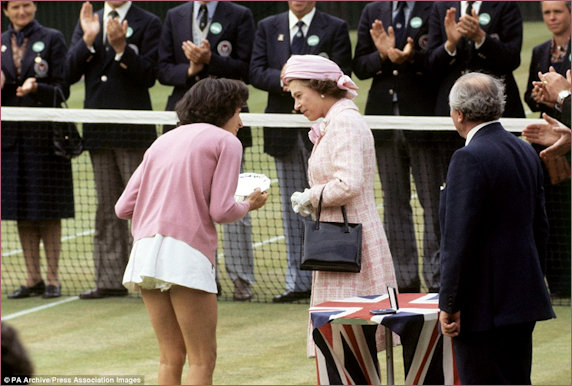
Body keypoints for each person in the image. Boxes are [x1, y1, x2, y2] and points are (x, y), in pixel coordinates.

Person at [115, 78, 268, 385]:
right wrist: (249, 204)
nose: (241, 121)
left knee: (170, 358)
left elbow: (123, 208)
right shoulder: (227, 142)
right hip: (185, 256)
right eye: (239, 111)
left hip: (145, 254)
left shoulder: (162, 141)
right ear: (224, 109)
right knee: (202, 360)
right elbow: (222, 211)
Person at [438, 72, 555, 385]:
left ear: (458, 114)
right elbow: (540, 226)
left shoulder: (468, 158)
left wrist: (449, 303)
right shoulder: (524, 150)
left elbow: (458, 239)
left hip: (483, 309)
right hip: (522, 300)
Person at [282, 54, 397, 357]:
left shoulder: (345, 122)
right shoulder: (337, 121)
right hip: (341, 242)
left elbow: (349, 184)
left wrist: (310, 196)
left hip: (350, 245)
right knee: (346, 344)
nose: (296, 105)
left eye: (299, 95)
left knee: (351, 343)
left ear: (320, 88)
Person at [250, 1, 352, 303]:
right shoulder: (268, 27)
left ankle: (331, 274)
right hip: (282, 132)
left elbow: (340, 73)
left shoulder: (334, 27)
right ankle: (298, 281)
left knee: (328, 204)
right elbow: (255, 71)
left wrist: (303, 84)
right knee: (292, 206)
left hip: (324, 128)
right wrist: (289, 84)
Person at [157, 0, 257, 301]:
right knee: (189, 205)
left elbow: (247, 68)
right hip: (184, 122)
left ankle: (242, 280)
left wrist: (211, 59)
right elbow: (162, 69)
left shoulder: (240, 15)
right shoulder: (174, 16)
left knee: (232, 200)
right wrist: (191, 68)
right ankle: (201, 278)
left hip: (225, 121)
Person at [67, 1, 161, 299]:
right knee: (107, 207)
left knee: (143, 208)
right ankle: (108, 280)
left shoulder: (147, 22)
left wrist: (122, 49)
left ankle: (148, 276)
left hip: (133, 131)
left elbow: (149, 76)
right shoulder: (88, 21)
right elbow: (68, 72)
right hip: (98, 131)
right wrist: (88, 40)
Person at [353, 1, 441, 293]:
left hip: (423, 121)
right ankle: (404, 280)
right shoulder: (372, 11)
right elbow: (360, 66)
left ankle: (437, 276)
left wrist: (411, 57)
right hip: (383, 123)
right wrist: (380, 54)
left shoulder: (434, 8)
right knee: (394, 204)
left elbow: (439, 60)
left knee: (433, 202)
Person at [2, 1, 73, 299]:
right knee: (22, 213)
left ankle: (54, 278)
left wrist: (37, 89)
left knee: (47, 211)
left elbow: (63, 89)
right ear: (5, 10)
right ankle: (33, 278)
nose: (22, 12)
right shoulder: (2, 43)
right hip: (10, 143)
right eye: (15, 7)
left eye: (27, 5)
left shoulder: (53, 37)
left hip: (45, 140)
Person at [426, 1, 526, 186]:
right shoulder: (441, 7)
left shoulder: (506, 5)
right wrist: (450, 44)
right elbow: (430, 64)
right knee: (456, 186)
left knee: (501, 186)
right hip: (452, 122)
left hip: (496, 118)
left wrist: (481, 38)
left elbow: (512, 58)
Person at [524, 1, 571, 300]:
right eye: (546, 13)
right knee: (551, 215)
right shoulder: (540, 51)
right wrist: (543, 97)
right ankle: (558, 283)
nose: (552, 18)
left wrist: (562, 95)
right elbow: (534, 101)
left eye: (558, 11)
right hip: (552, 144)